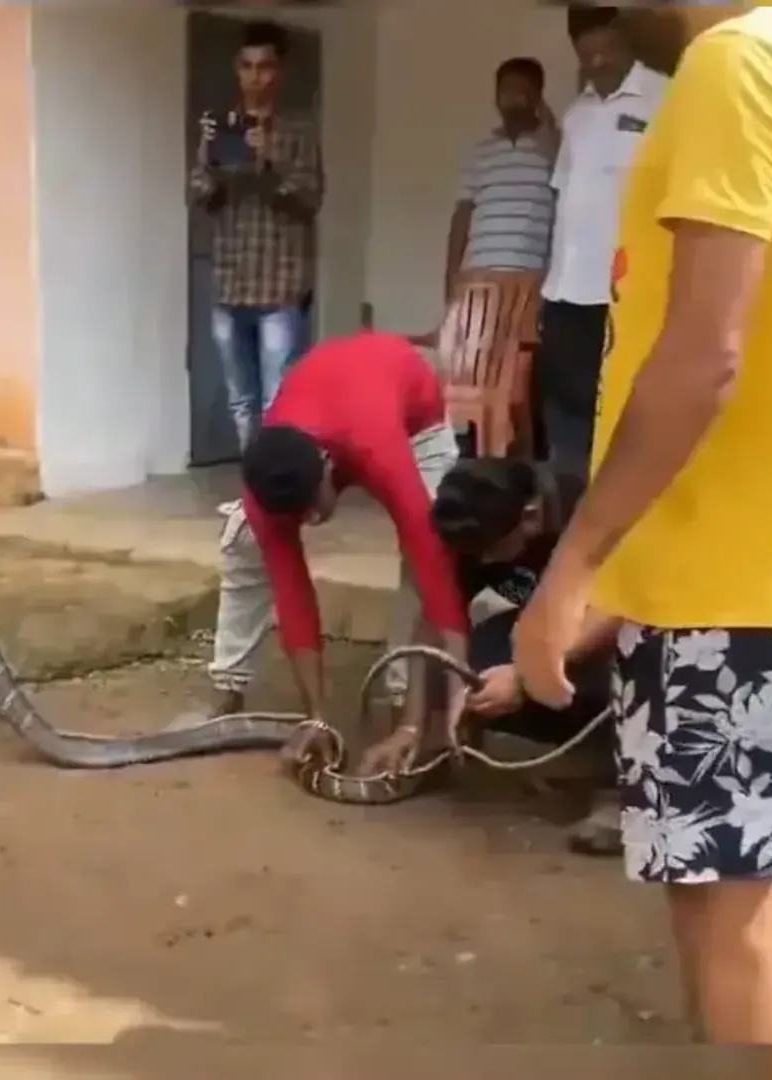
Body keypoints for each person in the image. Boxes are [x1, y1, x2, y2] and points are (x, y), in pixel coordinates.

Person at [514, 5, 772, 1045]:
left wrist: (574, 565)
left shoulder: (732, 70)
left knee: (721, 919)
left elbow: (703, 355)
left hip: (725, 594)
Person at [201, 332, 467, 777]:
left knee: (427, 552)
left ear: (328, 468)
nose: (308, 521)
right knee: (246, 543)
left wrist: (455, 696)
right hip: (335, 398)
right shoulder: (267, 480)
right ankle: (228, 685)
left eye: (311, 509)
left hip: (412, 413)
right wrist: (317, 716)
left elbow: (434, 565)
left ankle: (405, 701)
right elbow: (293, 595)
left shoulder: (376, 445)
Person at [431, 459, 622, 855]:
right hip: (549, 627)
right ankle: (576, 746)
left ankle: (623, 788)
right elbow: (445, 616)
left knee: (633, 663)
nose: (481, 564)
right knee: (464, 665)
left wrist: (524, 675)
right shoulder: (473, 519)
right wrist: (456, 702)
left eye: (492, 551)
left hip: (617, 626)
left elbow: (624, 608)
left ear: (530, 518)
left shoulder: (588, 508)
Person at [534, 6, 668, 482]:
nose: (596, 64)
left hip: (623, 292)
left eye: (604, 51)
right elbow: (563, 199)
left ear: (625, 41)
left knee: (620, 406)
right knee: (565, 410)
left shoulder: (665, 100)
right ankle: (573, 510)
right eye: (585, 54)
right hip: (566, 290)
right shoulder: (578, 114)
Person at [189, 19, 324, 450]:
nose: (254, 76)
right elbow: (198, 197)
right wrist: (210, 158)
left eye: (264, 66)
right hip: (230, 283)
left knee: (277, 403)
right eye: (247, 66)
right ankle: (254, 490)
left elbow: (309, 199)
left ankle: (276, 494)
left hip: (279, 287)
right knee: (241, 403)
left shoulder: (299, 133)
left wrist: (268, 162)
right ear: (237, 69)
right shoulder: (221, 128)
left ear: (278, 72)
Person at [442, 57, 561, 304]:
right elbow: (463, 216)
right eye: (506, 91)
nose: (513, 99)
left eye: (523, 91)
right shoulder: (481, 151)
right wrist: (452, 278)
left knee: (523, 343)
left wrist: (549, 125)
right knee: (475, 343)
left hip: (532, 279)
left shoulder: (554, 148)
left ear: (539, 97)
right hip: (477, 277)